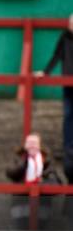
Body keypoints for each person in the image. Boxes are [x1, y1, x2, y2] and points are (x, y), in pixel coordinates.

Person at [35, 14, 73, 183]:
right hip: (68, 84)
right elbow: (56, 56)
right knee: (68, 115)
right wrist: (45, 72)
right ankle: (68, 146)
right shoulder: (64, 37)